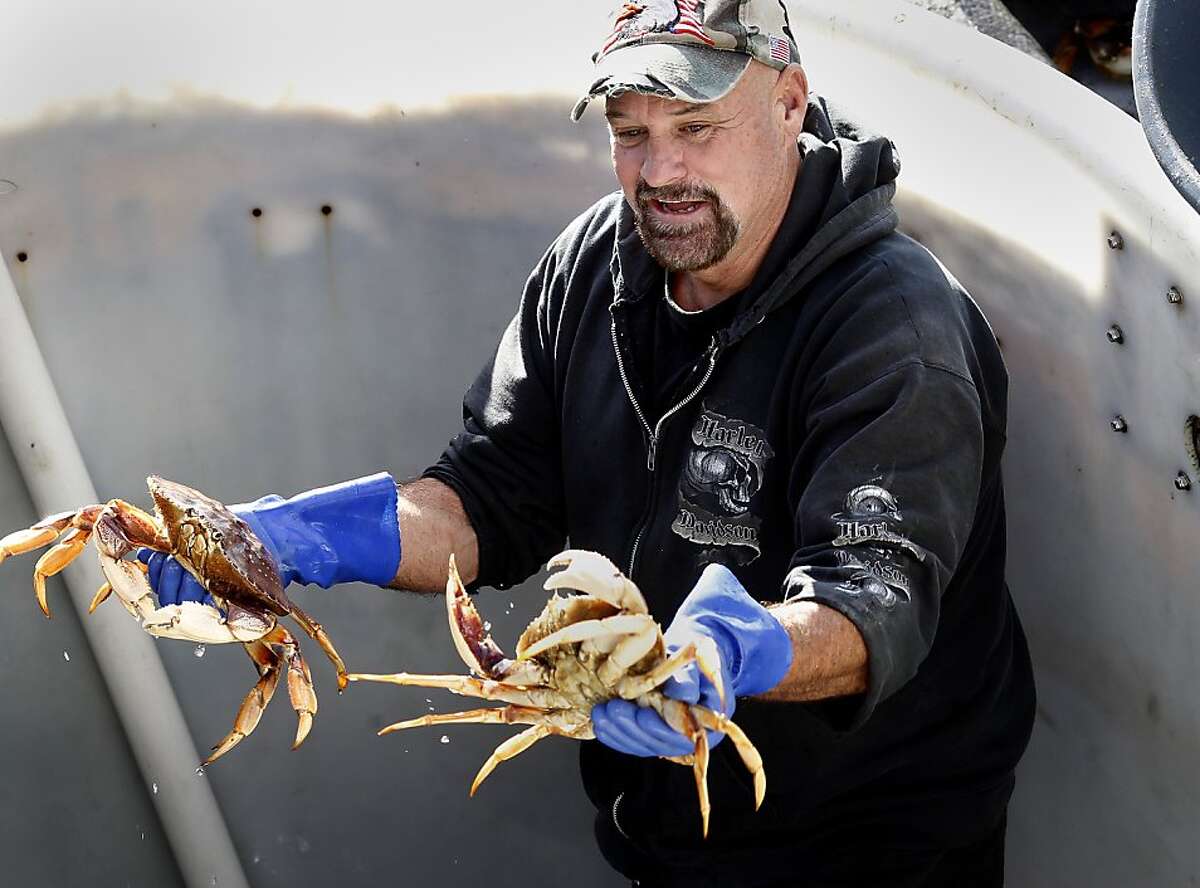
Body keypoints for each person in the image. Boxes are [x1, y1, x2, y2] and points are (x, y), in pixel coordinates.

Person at [140, 1, 1036, 884]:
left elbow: (874, 598)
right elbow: (495, 493)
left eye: (697, 124)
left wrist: (743, 651)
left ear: (789, 103)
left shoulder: (895, 331)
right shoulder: (598, 260)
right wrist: (309, 536)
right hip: (663, 833)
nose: (661, 170)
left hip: (872, 848)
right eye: (630, 131)